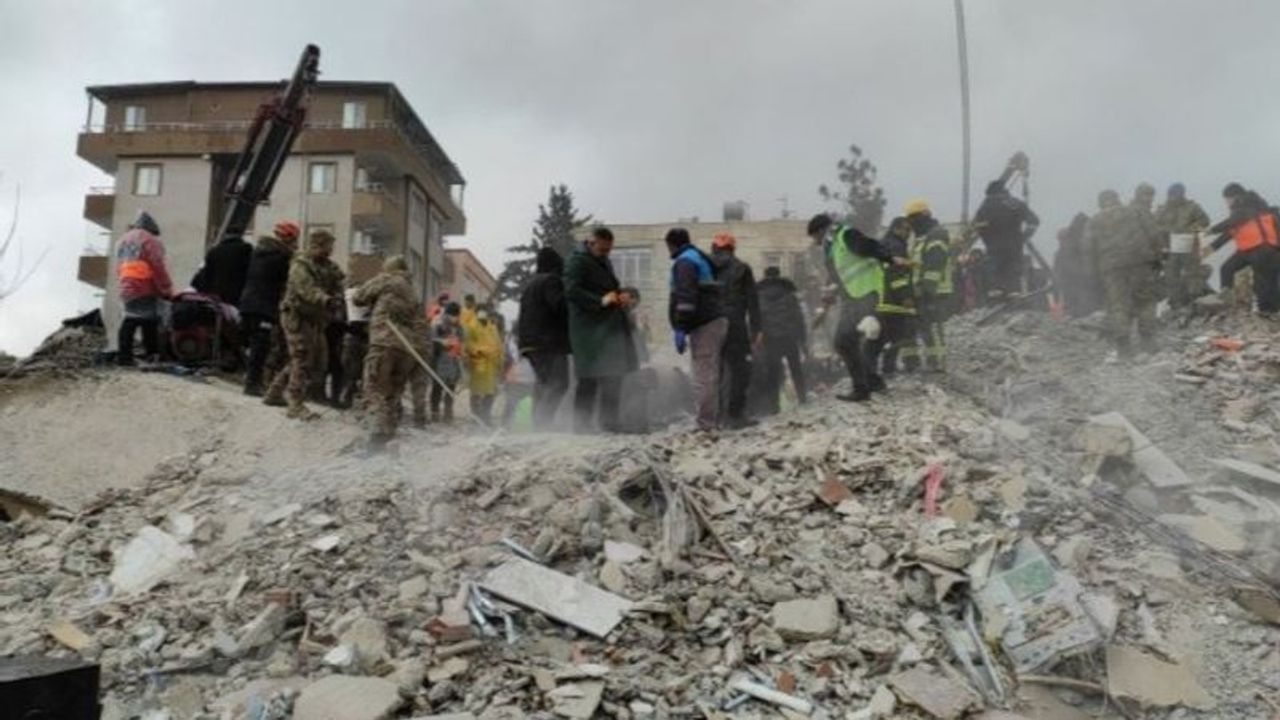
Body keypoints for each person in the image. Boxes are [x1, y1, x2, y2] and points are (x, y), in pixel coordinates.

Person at [810, 214, 899, 401]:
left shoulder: (845, 235)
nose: (816, 242)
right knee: (846, 342)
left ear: (821, 230)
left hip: (867, 294)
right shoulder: (832, 249)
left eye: (815, 237)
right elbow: (834, 280)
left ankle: (863, 388)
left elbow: (870, 246)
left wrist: (891, 259)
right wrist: (824, 310)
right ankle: (871, 383)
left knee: (844, 341)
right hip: (853, 299)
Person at [565, 226, 639, 433]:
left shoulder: (602, 261)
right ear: (591, 243)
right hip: (589, 329)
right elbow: (571, 290)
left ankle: (609, 422)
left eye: (609, 250)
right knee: (589, 377)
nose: (606, 253)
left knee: (614, 374)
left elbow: (609, 288)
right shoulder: (577, 261)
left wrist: (620, 295)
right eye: (603, 249)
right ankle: (581, 425)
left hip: (608, 328)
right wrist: (600, 300)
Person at [263, 230, 342, 419]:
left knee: (303, 358)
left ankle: (274, 393)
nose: (330, 250)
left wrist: (339, 295)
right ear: (316, 245)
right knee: (302, 357)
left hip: (314, 318)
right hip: (296, 315)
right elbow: (305, 289)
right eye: (328, 246)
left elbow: (339, 281)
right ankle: (295, 404)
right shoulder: (301, 264)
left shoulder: (328, 266)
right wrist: (325, 299)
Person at [352, 255, 420, 444]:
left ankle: (376, 437)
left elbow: (359, 297)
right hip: (406, 348)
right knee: (393, 393)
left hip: (384, 341)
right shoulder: (412, 290)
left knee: (375, 389)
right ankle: (389, 436)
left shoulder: (387, 279)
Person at [1086, 189, 1162, 356]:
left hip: (1112, 268)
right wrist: (1158, 258)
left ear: (1100, 204)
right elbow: (1154, 234)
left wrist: (1094, 274)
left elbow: (1089, 250)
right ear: (1117, 199)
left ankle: (1123, 345)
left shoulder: (1094, 221)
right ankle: (1148, 341)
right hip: (1141, 263)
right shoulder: (1136, 212)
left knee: (1118, 304)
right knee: (1145, 301)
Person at [666, 228, 726, 429]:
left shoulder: (685, 262)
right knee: (710, 372)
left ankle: (705, 423)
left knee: (703, 375)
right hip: (713, 320)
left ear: (671, 244)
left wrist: (680, 327)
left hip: (704, 323)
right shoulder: (698, 257)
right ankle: (711, 419)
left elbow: (686, 297)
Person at [709, 232, 762, 429]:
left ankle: (714, 416)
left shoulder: (704, 267)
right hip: (735, 325)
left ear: (714, 248)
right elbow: (753, 301)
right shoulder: (742, 268)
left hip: (710, 324)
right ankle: (735, 414)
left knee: (713, 371)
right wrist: (756, 329)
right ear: (732, 249)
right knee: (741, 369)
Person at [239, 221, 298, 395]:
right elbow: (287, 279)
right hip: (264, 306)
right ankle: (252, 384)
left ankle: (251, 380)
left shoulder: (259, 252)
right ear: (288, 238)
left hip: (248, 303)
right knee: (261, 345)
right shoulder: (281, 257)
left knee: (254, 344)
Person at [1205, 183, 1280, 315]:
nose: (1226, 203)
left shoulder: (1248, 205)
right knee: (1227, 268)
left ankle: (1269, 313)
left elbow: (1230, 223)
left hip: (1263, 249)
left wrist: (1210, 230)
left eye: (1227, 199)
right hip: (1249, 250)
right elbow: (1229, 233)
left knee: (1264, 283)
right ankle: (1227, 301)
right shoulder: (1243, 212)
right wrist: (1211, 248)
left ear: (1235, 196)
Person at [517, 246, 570, 425]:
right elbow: (560, 307)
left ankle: (538, 422)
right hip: (548, 343)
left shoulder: (531, 284)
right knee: (559, 383)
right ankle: (543, 422)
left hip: (529, 342)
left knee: (544, 383)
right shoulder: (551, 281)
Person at [114, 211, 175, 366]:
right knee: (150, 321)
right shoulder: (150, 240)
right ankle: (152, 354)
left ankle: (124, 357)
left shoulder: (122, 241)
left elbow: (119, 266)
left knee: (129, 320)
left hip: (126, 285)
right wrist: (166, 288)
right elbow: (157, 266)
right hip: (145, 285)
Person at [905, 199, 956, 372]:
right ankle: (932, 362)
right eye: (910, 218)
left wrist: (928, 291)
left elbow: (935, 264)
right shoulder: (922, 238)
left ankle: (938, 363)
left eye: (915, 217)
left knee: (933, 326)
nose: (912, 222)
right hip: (923, 290)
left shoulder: (936, 235)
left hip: (935, 291)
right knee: (925, 327)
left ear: (926, 215)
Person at [753, 266, 807, 415]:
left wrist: (756, 339)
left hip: (770, 339)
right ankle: (802, 398)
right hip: (789, 337)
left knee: (773, 372)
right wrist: (803, 340)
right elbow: (798, 318)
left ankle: (774, 405)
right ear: (779, 275)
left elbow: (756, 320)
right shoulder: (789, 294)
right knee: (796, 368)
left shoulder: (759, 297)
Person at [972, 181, 1039, 298]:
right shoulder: (1015, 203)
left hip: (994, 244)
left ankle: (995, 290)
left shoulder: (986, 206)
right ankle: (1013, 290)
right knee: (1013, 267)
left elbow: (978, 226)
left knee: (994, 268)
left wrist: (988, 240)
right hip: (1014, 243)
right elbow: (1034, 221)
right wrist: (1024, 237)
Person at [1154, 183, 1211, 310]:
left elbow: (1205, 221)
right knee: (1171, 276)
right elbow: (1154, 225)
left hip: (1188, 245)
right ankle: (1175, 304)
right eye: (1172, 195)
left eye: (1177, 195)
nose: (1173, 198)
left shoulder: (1192, 207)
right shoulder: (1162, 210)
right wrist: (1166, 231)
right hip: (1170, 247)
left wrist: (1190, 230)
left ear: (1182, 194)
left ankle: (1194, 302)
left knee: (1193, 275)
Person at [878, 216, 919, 374]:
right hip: (893, 298)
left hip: (883, 295)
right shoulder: (896, 246)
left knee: (886, 334)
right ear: (896, 228)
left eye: (910, 230)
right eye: (906, 230)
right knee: (896, 334)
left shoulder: (885, 243)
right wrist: (905, 296)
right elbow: (897, 273)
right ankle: (889, 368)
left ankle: (885, 367)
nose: (908, 234)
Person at [1051, 213, 1101, 318]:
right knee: (1080, 296)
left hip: (1069, 276)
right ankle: (1080, 312)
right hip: (1077, 275)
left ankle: (1074, 312)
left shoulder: (1069, 240)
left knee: (1072, 297)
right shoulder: (1080, 238)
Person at [191, 231, 253, 308]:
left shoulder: (214, 251)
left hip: (216, 296)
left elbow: (207, 275)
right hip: (237, 294)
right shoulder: (246, 249)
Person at [465, 303, 503, 425]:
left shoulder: (492, 327)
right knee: (476, 392)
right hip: (478, 365)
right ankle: (475, 417)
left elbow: (498, 345)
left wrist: (500, 361)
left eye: (486, 311)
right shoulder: (471, 326)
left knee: (490, 392)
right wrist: (480, 350)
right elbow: (468, 344)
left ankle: (486, 416)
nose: (484, 314)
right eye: (482, 311)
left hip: (492, 366)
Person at [430, 302, 465, 422]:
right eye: (453, 315)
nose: (455, 318)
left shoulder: (459, 327)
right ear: (447, 314)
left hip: (453, 361)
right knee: (438, 387)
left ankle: (448, 413)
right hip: (440, 360)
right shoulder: (438, 324)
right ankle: (434, 412)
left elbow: (462, 340)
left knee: (451, 388)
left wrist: (460, 349)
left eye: (457, 315)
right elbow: (431, 339)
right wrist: (442, 342)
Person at [340, 286, 370, 409]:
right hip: (355, 337)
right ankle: (348, 396)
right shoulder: (348, 297)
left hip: (360, 337)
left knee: (358, 370)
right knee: (352, 370)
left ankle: (353, 397)